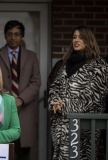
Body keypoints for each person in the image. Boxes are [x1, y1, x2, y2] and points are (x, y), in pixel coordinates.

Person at [48, 25, 108, 160]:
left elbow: (92, 98)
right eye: (74, 37)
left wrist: (63, 106)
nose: (76, 40)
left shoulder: (99, 66)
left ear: (89, 40)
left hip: (83, 130)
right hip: (61, 128)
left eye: (81, 37)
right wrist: (54, 102)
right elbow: (54, 87)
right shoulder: (66, 64)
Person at [0, 20, 41, 160]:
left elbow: (36, 82)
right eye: (10, 34)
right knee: (2, 152)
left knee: (23, 153)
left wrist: (21, 99)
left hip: (25, 110)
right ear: (5, 36)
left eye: (17, 34)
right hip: (2, 109)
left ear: (22, 36)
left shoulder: (32, 56)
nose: (13, 37)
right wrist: (10, 98)